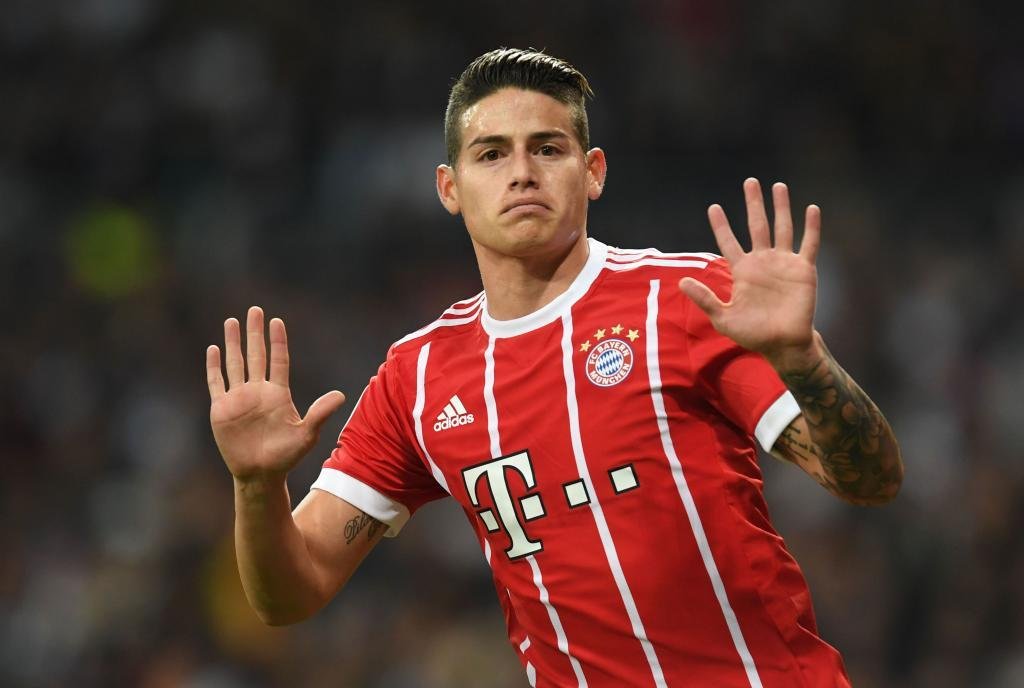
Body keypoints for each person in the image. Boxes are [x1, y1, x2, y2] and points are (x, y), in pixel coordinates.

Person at [206, 48, 903, 687]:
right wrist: (257, 485)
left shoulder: (687, 301)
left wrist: (805, 361)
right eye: (491, 154)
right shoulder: (414, 380)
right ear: (449, 187)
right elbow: (290, 595)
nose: (522, 172)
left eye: (547, 147)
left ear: (592, 171)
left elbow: (870, 481)